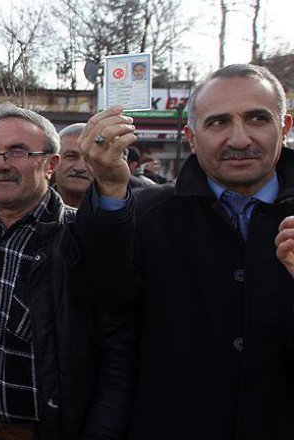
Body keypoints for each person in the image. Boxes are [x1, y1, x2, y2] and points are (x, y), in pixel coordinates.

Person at [77, 63, 294, 438]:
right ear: (191, 137)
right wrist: (111, 189)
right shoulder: (148, 214)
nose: (239, 139)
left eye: (257, 119)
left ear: (285, 127)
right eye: (218, 123)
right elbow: (106, 298)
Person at [0, 104, 131, 439]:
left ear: (51, 165)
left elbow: (118, 354)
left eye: (17, 152)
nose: (0, 164)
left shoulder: (82, 240)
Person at [53, 123, 93, 208]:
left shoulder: (119, 212)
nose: (80, 168)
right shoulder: (27, 208)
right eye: (71, 156)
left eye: (90, 159)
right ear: (53, 162)